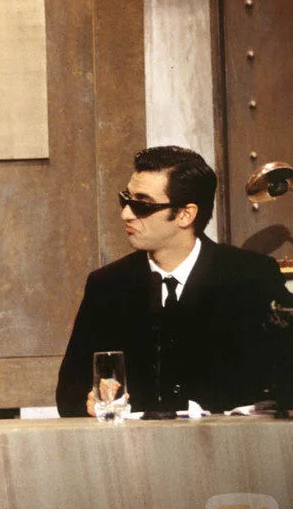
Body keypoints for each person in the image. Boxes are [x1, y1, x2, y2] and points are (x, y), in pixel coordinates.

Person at [56, 146, 291, 417]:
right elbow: (69, 394)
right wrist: (89, 401)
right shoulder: (107, 285)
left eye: (142, 204)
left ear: (185, 215)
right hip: (138, 443)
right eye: (125, 200)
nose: (126, 214)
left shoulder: (252, 276)